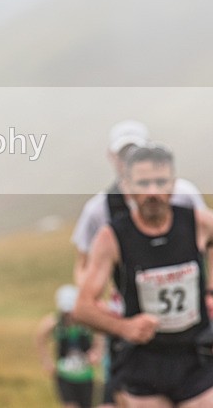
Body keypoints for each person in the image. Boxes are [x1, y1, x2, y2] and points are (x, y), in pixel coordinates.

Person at [71, 120, 207, 406]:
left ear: (172, 181)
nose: (153, 192)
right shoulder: (105, 222)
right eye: (144, 184)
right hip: (141, 354)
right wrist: (122, 326)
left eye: (161, 182)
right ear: (128, 184)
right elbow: (81, 297)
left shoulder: (193, 212)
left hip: (194, 352)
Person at [36, 284, 103, 408]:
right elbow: (40, 337)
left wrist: (96, 352)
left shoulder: (86, 324)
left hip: (85, 375)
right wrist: (46, 361)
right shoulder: (55, 322)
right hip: (64, 375)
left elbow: (99, 335)